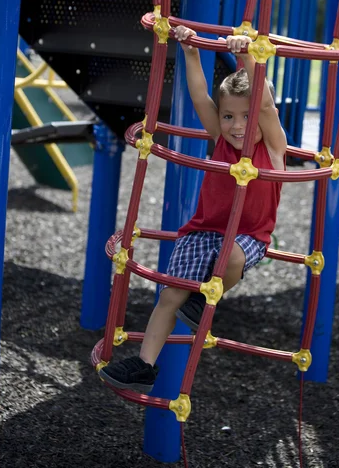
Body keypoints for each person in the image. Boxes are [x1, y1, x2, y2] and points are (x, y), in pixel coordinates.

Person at [99, 25, 287, 393]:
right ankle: (144, 364)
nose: (236, 125)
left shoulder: (274, 147)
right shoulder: (221, 141)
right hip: (202, 231)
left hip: (249, 237)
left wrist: (244, 55)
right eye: (229, 116)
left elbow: (264, 104)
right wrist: (189, 51)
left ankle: (205, 299)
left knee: (230, 256)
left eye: (246, 117)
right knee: (169, 296)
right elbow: (201, 96)